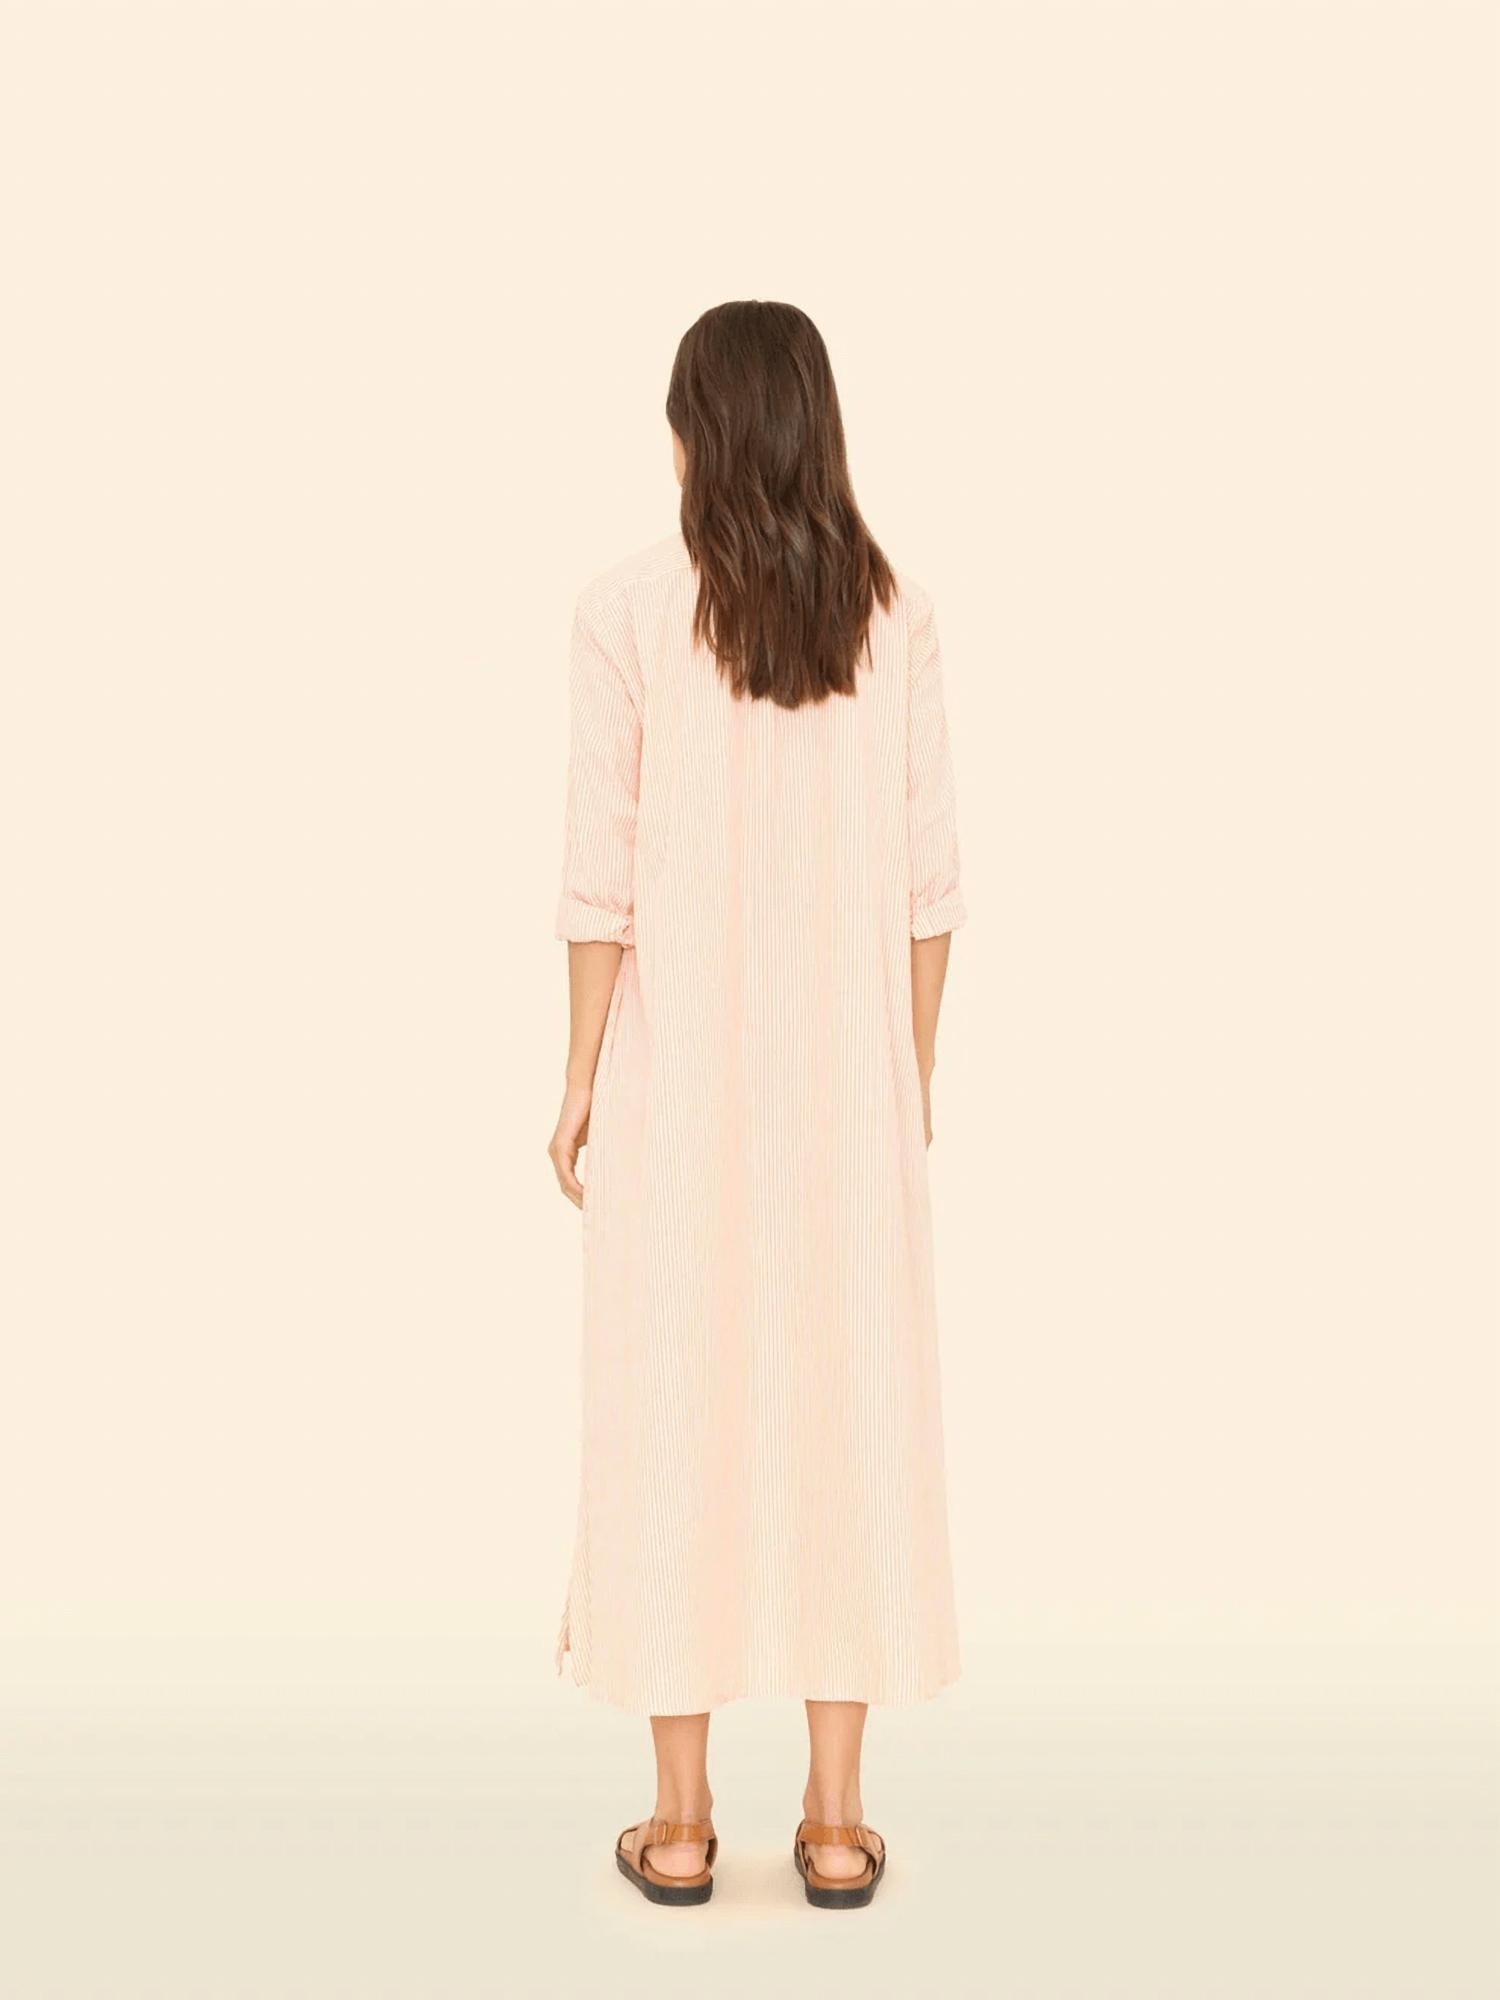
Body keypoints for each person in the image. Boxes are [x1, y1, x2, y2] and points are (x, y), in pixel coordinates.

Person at [547, 300, 966, 1910]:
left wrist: (579, 1080)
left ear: (694, 438)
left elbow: (600, 881)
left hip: (679, 1095)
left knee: (675, 1414)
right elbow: (932, 894)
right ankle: (839, 1823)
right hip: (846, 1105)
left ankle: (677, 1825)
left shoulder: (626, 613)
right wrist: (902, 1083)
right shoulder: (895, 618)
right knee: (843, 1418)